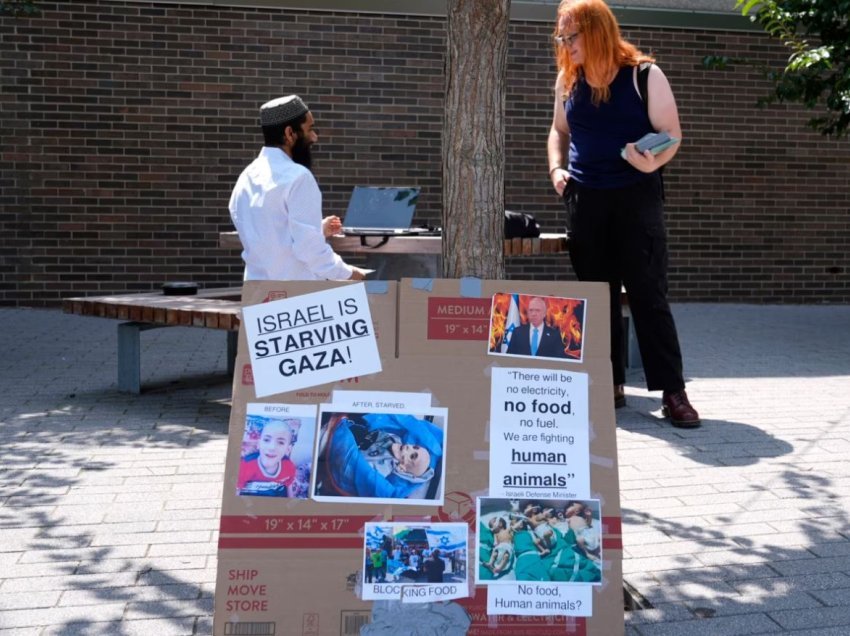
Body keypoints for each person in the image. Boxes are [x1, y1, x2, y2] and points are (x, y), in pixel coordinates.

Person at [546, 0, 699, 427]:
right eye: (560, 36)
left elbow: (671, 134)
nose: (564, 44)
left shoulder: (644, 76)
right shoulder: (568, 79)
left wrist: (649, 161)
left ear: (595, 32)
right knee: (598, 299)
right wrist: (557, 169)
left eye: (569, 35)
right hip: (585, 200)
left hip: (636, 198)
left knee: (648, 295)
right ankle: (607, 384)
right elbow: (559, 131)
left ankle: (673, 393)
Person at [229, 94, 368, 282]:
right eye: (310, 129)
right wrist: (352, 274)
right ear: (289, 133)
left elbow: (269, 236)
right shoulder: (298, 177)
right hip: (297, 300)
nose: (315, 137)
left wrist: (317, 228)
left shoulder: (246, 177)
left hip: (258, 296)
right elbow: (310, 250)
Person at [316, 413, 443, 500]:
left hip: (340, 448)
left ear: (402, 469)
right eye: (415, 447)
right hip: (350, 428)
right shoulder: (396, 438)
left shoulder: (384, 468)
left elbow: (359, 468)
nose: (409, 448)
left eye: (412, 456)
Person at [236, 419, 297, 496]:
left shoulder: (289, 466)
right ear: (259, 444)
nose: (272, 447)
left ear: (288, 449)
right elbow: (236, 492)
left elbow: (289, 486)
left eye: (281, 442)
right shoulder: (245, 465)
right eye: (266, 440)